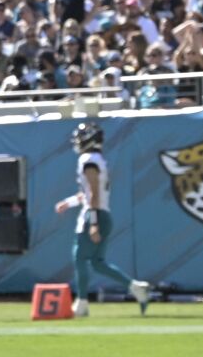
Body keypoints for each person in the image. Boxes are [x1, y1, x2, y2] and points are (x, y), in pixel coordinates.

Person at [55, 122, 151, 316]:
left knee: (80, 257)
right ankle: (135, 288)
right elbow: (88, 193)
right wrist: (70, 202)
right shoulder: (97, 159)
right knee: (98, 263)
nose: (78, 141)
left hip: (96, 214)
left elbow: (93, 193)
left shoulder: (88, 159)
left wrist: (93, 222)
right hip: (103, 213)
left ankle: (81, 302)